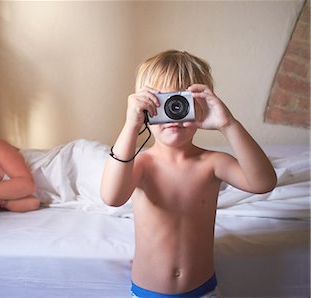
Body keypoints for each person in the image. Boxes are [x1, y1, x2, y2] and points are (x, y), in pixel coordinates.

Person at [100, 50, 277, 297]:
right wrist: (131, 125)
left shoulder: (212, 162)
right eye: (162, 102)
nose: (173, 114)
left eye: (181, 102)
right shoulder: (142, 164)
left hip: (203, 290)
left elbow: (264, 183)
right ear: (146, 108)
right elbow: (111, 196)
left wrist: (228, 124)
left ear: (202, 107)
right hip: (147, 292)